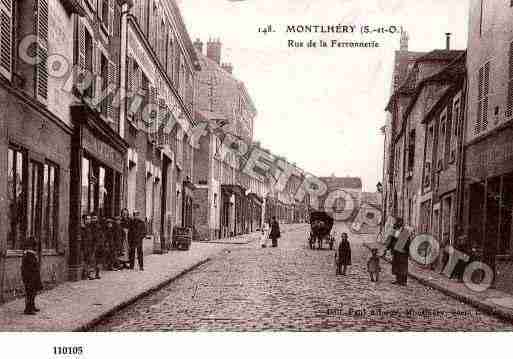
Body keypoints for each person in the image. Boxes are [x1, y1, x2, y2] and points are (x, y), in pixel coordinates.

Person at [383, 218, 410, 286]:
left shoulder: (405, 231)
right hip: (396, 251)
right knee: (396, 265)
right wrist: (387, 248)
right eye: (397, 222)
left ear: (401, 223)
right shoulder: (394, 230)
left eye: (399, 222)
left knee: (403, 266)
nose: (397, 224)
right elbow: (391, 240)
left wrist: (406, 251)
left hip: (403, 252)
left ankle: (404, 281)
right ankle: (398, 280)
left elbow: (408, 242)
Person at [21, 239, 43, 315]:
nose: (35, 248)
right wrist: (28, 278)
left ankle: (32, 306)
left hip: (34, 277)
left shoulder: (32, 254)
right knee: (30, 293)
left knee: (33, 293)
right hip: (30, 278)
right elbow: (27, 268)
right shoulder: (28, 255)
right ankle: (28, 309)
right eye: (34, 246)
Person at [89, 214, 104, 279]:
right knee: (92, 260)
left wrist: (101, 243)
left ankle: (97, 273)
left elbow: (102, 236)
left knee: (98, 260)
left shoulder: (99, 227)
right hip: (92, 245)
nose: (94, 220)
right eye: (93, 218)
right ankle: (91, 274)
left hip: (99, 246)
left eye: (95, 218)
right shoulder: (89, 227)